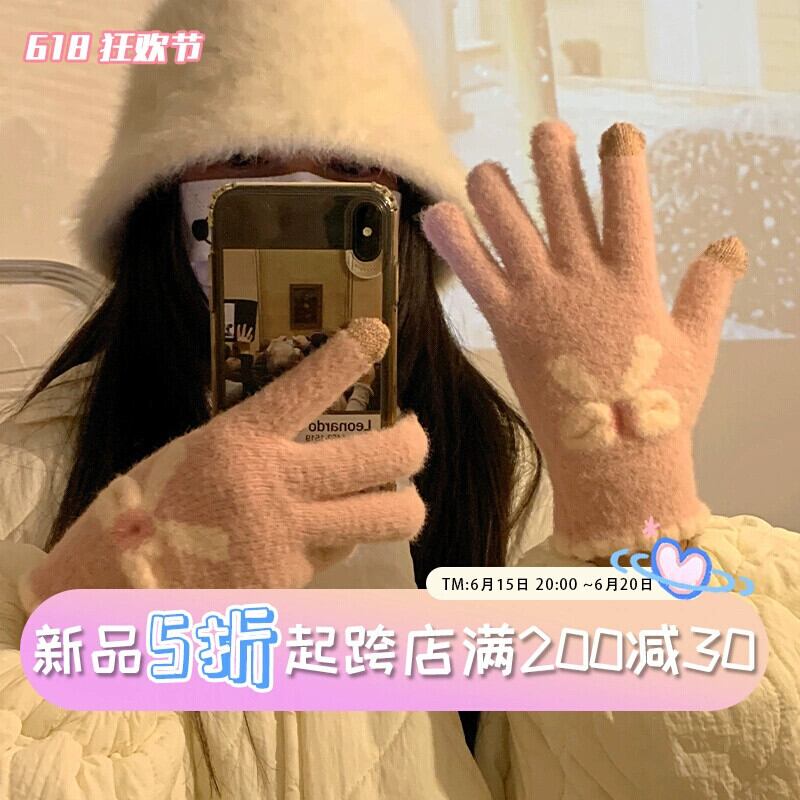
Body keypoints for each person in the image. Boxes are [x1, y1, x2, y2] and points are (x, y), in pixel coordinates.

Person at [0, 2, 797, 800]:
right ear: (155, 205)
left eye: (350, 166)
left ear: (404, 212)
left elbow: (622, 767)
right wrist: (105, 598)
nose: (300, 196)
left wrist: (634, 518)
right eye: (242, 157)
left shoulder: (493, 453)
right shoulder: (39, 464)